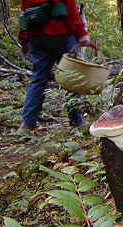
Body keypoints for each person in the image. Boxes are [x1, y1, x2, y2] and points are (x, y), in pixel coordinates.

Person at [18, 0, 97, 135]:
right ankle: (77, 121)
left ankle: (27, 124)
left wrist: (24, 39)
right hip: (62, 34)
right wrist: (82, 35)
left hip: (36, 37)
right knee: (70, 77)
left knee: (38, 79)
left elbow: (24, 15)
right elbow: (71, 10)